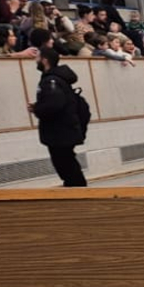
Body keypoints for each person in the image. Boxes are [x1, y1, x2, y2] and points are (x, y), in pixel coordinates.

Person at [28, 50, 88, 187]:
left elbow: (54, 104)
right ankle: (75, 187)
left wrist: (37, 109)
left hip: (60, 131)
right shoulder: (56, 79)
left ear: (45, 60)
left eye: (37, 58)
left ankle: (78, 189)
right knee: (66, 162)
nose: (36, 61)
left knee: (65, 163)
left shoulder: (51, 80)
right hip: (64, 128)